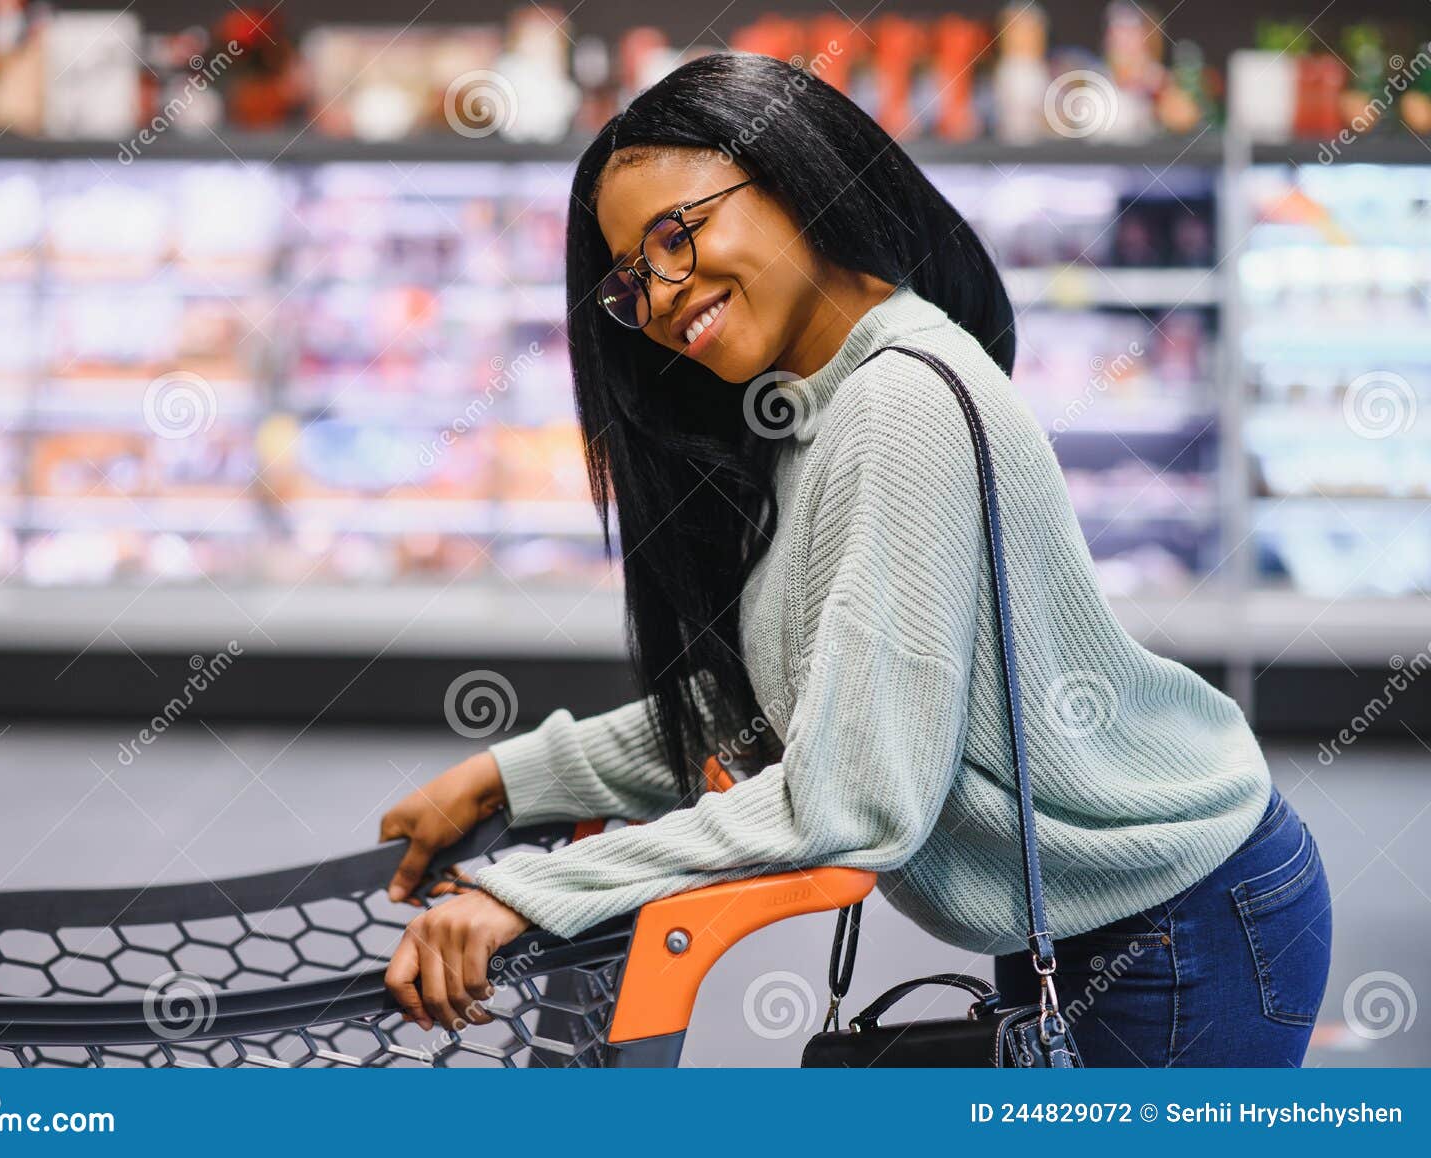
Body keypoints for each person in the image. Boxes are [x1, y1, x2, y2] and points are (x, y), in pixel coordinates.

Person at [378, 51, 1332, 1066]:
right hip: (1077, 906)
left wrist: (534, 891)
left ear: (792, 179)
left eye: (675, 234)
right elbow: (766, 712)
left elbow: (852, 800)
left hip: (1177, 921)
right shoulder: (819, 411)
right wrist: (509, 776)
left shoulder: (898, 404)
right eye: (628, 278)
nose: (657, 297)